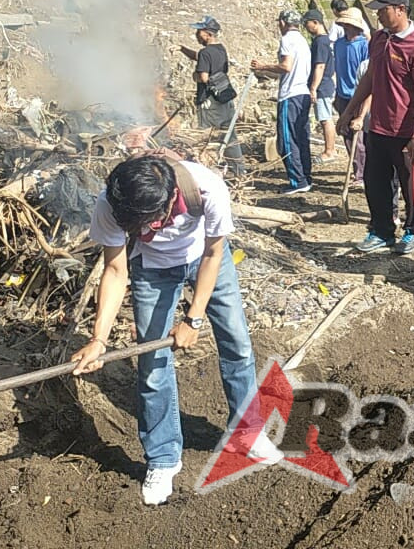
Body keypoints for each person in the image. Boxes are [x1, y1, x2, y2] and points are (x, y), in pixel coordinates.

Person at [70, 154, 280, 505]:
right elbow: (116, 271)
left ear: (169, 201)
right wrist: (98, 340)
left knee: (237, 343)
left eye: (147, 224)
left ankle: (246, 431)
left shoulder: (207, 187)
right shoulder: (111, 202)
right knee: (153, 365)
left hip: (206, 258)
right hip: (152, 271)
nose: (141, 231)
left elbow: (215, 254)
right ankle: (163, 459)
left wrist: (193, 318)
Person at [339, 0, 414, 255]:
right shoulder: (379, 39)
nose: (378, 15)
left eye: (383, 10)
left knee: (410, 184)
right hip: (378, 127)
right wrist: (350, 111)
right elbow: (369, 78)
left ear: (401, 10)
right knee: (375, 182)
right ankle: (381, 231)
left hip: (406, 132)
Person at [251, 9, 313, 194]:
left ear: (284, 22)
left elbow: (286, 66)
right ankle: (306, 177)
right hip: (302, 93)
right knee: (302, 137)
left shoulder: (287, 39)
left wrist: (263, 66)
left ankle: (297, 181)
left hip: (290, 95)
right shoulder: (303, 41)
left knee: (287, 139)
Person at [173, 16, 244, 177]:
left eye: (199, 31)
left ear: (207, 33)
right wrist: (182, 48)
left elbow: (204, 76)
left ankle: (208, 173)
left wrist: (194, 76)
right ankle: (239, 170)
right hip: (224, 98)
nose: (196, 35)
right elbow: (200, 57)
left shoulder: (205, 53)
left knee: (208, 137)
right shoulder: (220, 49)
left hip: (210, 102)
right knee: (230, 135)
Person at [333, 6, 372, 186]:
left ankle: (362, 174)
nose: (347, 28)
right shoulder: (339, 44)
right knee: (346, 134)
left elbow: (367, 74)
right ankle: (354, 167)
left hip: (358, 95)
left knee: (360, 137)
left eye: (349, 25)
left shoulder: (364, 45)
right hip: (342, 94)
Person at [303, 9, 337, 163]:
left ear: (315, 23)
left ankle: (330, 151)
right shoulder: (324, 41)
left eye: (307, 23)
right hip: (325, 84)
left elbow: (320, 66)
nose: (306, 27)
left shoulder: (321, 42)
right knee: (324, 117)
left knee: (325, 118)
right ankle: (330, 149)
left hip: (322, 85)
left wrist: (313, 88)